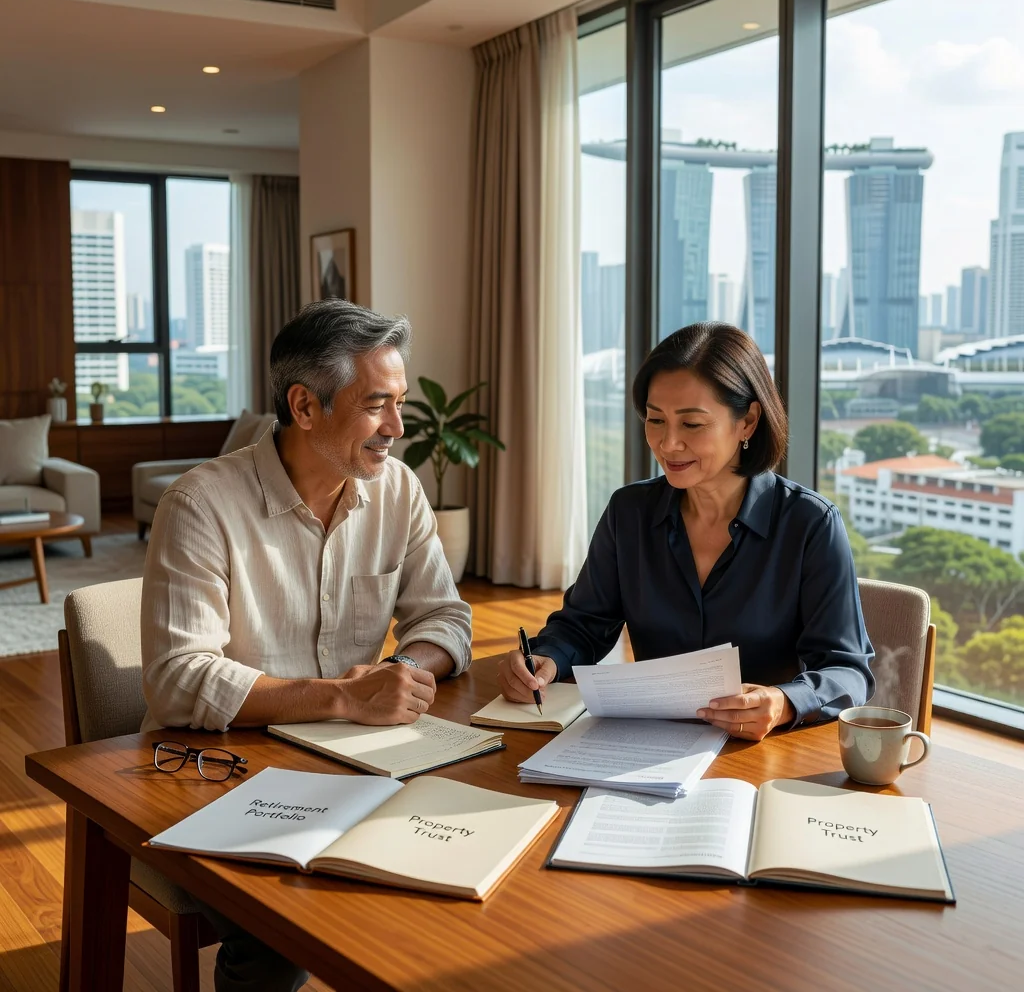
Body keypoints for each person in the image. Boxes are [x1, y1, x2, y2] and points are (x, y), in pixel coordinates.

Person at [141, 299, 472, 991]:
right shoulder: (200, 505)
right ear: (304, 406)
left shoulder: (399, 492)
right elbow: (177, 678)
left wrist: (404, 671)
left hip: (354, 767)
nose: (398, 428)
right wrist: (344, 699)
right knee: (280, 927)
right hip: (218, 773)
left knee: (465, 862)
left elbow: (444, 617)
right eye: (377, 404)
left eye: (400, 402)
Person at [498, 321, 874, 741]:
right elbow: (583, 624)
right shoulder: (630, 513)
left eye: (692, 424)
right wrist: (546, 657)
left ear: (748, 421)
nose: (667, 443)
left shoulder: (810, 525)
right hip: (648, 743)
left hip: (758, 753)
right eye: (655, 420)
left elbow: (847, 671)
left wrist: (783, 702)